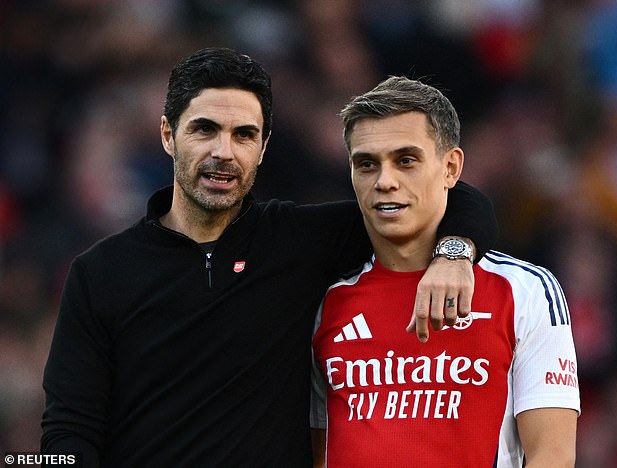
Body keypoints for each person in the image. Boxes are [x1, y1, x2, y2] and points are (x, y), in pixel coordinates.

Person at [40, 48, 498, 467]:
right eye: (204, 130)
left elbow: (453, 198)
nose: (224, 152)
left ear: (263, 147)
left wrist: (453, 256)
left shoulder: (297, 240)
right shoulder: (101, 273)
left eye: (244, 135)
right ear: (167, 135)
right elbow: (68, 432)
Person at [311, 76, 580, 467]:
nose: (385, 181)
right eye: (366, 164)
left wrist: (454, 253)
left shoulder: (525, 290)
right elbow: (319, 452)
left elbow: (551, 454)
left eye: (406, 160)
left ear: (451, 167)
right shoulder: (324, 300)